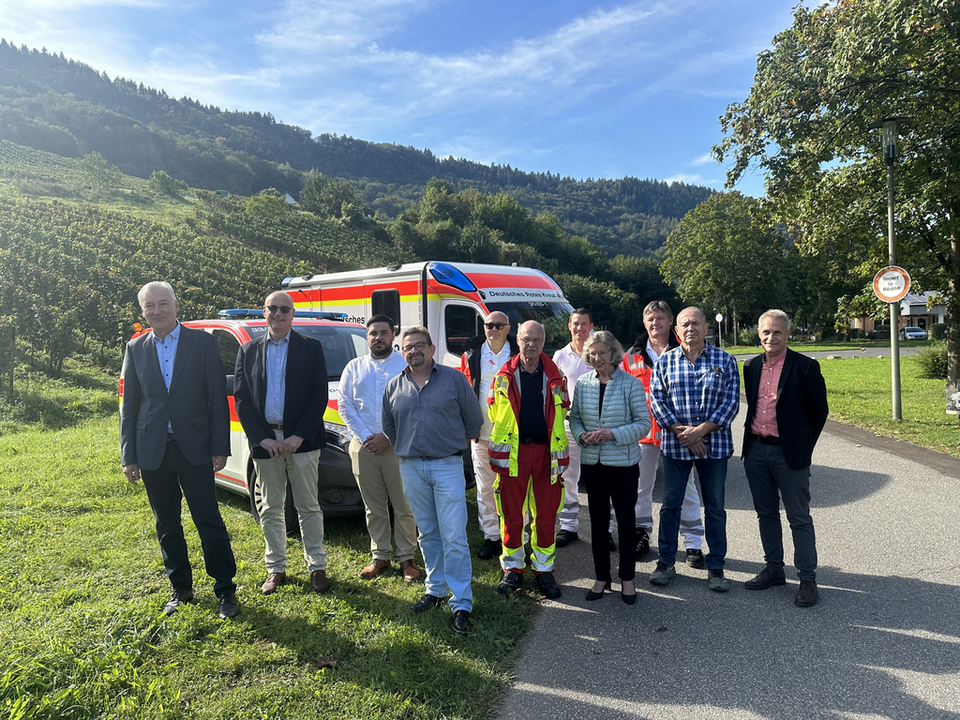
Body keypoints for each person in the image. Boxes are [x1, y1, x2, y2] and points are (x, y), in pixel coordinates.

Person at [120, 281, 239, 618]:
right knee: (167, 524)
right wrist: (129, 455)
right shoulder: (136, 347)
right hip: (153, 450)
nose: (157, 311)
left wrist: (220, 446)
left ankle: (226, 590)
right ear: (142, 311)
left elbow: (217, 398)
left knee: (208, 520)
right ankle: (181, 589)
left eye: (163, 304)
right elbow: (130, 406)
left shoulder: (201, 343)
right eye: (150, 306)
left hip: (195, 448)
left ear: (175, 304)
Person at [382, 327, 483, 635]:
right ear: (403, 352)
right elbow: (390, 426)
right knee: (427, 533)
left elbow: (473, 420)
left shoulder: (454, 379)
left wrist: (448, 444)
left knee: (454, 535)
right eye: (408, 347)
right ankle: (436, 589)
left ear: (432, 348)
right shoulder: (394, 386)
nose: (414, 351)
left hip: (447, 466)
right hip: (411, 467)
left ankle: (461, 601)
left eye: (420, 346)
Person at [234, 291, 331, 596]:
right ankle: (276, 568)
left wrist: (298, 435)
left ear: (292, 314)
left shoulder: (311, 348)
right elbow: (242, 398)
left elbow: (319, 395)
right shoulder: (248, 350)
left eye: (284, 309)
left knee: (308, 506)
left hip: (301, 441)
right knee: (271, 507)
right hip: (266, 443)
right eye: (272, 308)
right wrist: (262, 437)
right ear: (264, 312)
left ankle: (316, 566)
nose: (278, 314)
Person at [649, 307, 740, 592]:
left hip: (714, 447)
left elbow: (731, 403)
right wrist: (683, 433)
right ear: (676, 330)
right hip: (676, 448)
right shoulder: (665, 362)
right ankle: (665, 562)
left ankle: (716, 567)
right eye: (685, 324)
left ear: (706, 327)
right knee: (670, 506)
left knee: (714, 507)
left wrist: (699, 431)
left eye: (696, 323)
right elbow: (656, 401)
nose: (691, 329)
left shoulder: (725, 361)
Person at [742, 309, 829, 607]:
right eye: (766, 332)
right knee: (766, 513)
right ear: (758, 333)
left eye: (777, 332)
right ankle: (774, 569)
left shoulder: (805, 367)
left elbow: (820, 412)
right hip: (756, 450)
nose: (771, 337)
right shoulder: (751, 366)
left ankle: (807, 578)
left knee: (799, 517)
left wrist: (803, 447)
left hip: (788, 454)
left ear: (788, 334)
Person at [489, 321, 569, 599]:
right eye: (526, 339)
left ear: (544, 342)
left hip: (548, 455)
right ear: (518, 341)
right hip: (514, 454)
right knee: (511, 515)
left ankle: (543, 570)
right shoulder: (503, 375)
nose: (531, 344)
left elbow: (564, 414)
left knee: (546, 517)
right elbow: (494, 414)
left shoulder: (556, 375)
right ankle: (512, 569)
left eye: (536, 339)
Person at [569, 331, 650, 605]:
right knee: (598, 523)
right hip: (593, 464)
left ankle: (628, 578)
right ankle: (601, 577)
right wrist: (581, 436)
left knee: (626, 523)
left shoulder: (630, 383)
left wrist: (612, 433)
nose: (597, 357)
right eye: (592, 353)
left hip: (623, 465)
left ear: (614, 354)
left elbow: (643, 424)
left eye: (603, 352)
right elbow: (575, 418)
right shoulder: (583, 382)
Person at [623, 301, 706, 567]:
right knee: (640, 488)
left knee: (686, 488)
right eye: (650, 319)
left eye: (660, 318)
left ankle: (693, 543)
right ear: (644, 322)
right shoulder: (631, 356)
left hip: (679, 431)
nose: (655, 323)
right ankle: (641, 534)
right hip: (643, 432)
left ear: (671, 321)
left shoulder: (686, 349)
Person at [338, 315, 420, 582]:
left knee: (403, 504)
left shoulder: (404, 366)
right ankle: (380, 556)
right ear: (367, 335)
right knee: (373, 506)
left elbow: (411, 405)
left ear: (393, 335)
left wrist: (386, 436)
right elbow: (345, 405)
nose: (378, 338)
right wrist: (364, 436)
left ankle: (407, 558)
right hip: (363, 447)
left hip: (397, 445)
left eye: (384, 333)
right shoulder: (354, 367)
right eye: (373, 333)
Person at [459, 311, 518, 561]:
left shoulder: (518, 353)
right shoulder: (471, 355)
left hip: (512, 435)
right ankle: (491, 536)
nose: (492, 329)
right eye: (488, 325)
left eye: (498, 325)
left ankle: (515, 537)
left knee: (513, 488)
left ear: (508, 328)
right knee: (484, 488)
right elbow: (462, 388)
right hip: (481, 434)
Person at [553, 308, 613, 548]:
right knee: (568, 477)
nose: (580, 328)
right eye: (575, 323)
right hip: (568, 426)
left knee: (602, 478)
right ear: (569, 326)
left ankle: (605, 529)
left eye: (584, 324)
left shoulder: (599, 352)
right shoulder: (560, 356)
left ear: (592, 326)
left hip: (598, 426)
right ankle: (568, 527)